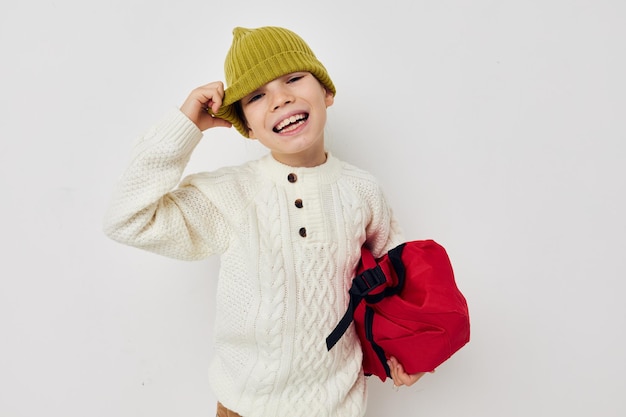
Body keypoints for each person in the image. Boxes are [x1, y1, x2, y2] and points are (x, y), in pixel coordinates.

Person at [104, 26, 427, 417]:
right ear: (247, 126)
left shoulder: (362, 191)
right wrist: (184, 128)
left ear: (326, 92)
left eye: (293, 79)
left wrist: (407, 351)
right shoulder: (231, 194)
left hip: (338, 407)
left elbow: (399, 280)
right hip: (245, 408)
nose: (280, 98)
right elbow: (127, 219)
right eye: (257, 96)